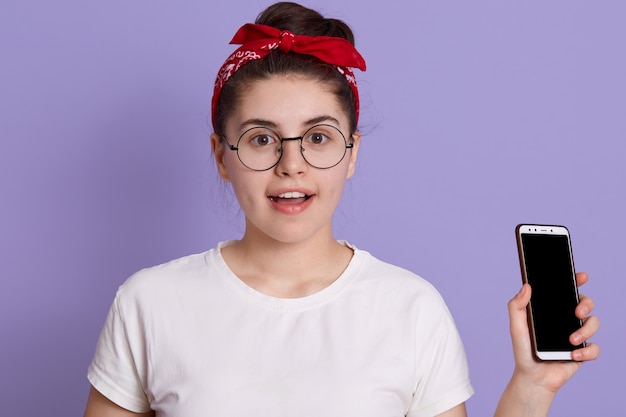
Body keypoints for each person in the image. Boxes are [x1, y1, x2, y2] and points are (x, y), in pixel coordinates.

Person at [83, 2, 600, 416]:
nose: (292, 164)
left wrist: (534, 387)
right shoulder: (149, 303)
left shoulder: (411, 309)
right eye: (261, 138)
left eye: (318, 137)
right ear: (222, 156)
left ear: (351, 154)